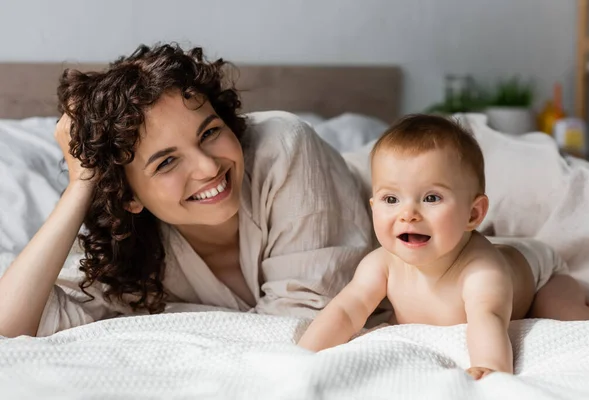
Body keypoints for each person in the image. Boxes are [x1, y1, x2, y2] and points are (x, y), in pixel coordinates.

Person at [0, 43, 373, 338]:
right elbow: (10, 327)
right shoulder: (129, 255)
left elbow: (301, 324)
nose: (208, 167)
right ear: (129, 195)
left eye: (209, 132)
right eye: (166, 162)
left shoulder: (284, 147)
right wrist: (81, 185)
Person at [297, 114, 589, 380]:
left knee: (569, 320)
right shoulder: (380, 264)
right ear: (373, 206)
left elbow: (488, 319)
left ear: (473, 214)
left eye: (431, 198)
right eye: (391, 199)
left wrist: (490, 369)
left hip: (539, 272)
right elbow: (347, 309)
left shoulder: (482, 271)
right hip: (481, 245)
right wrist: (302, 356)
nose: (408, 214)